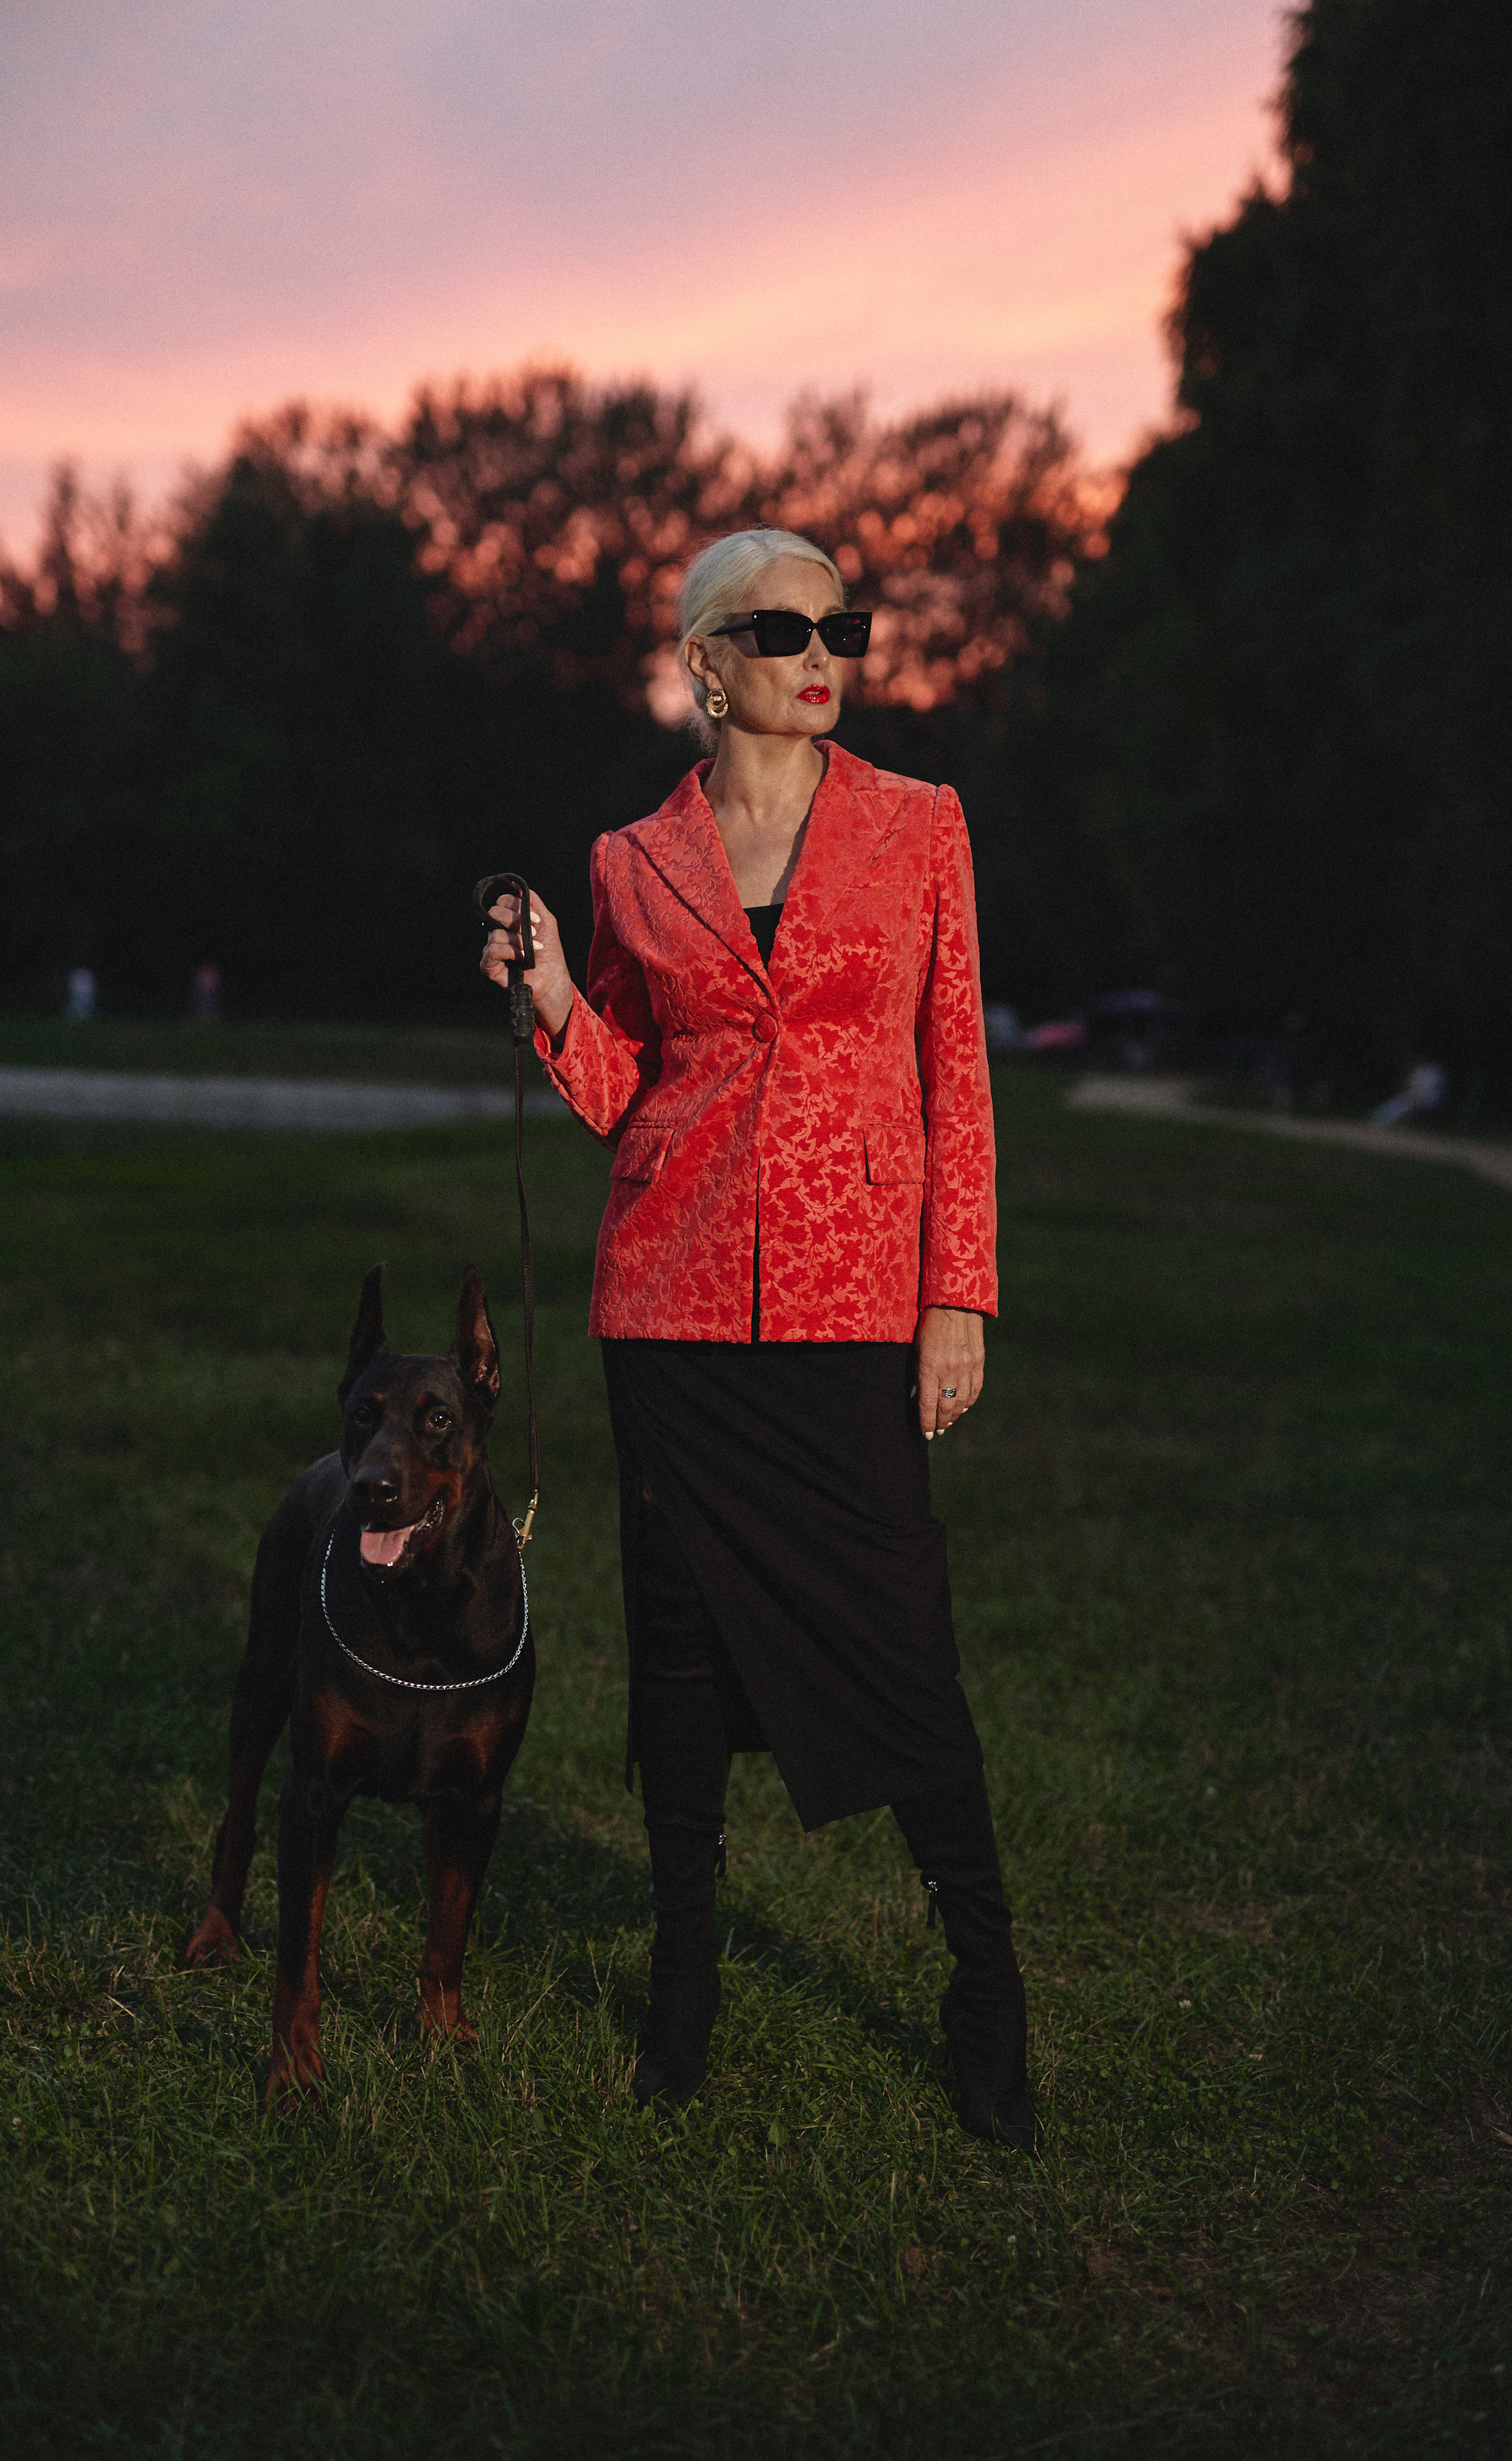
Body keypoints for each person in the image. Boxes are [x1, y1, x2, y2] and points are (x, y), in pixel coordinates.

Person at [481, 526, 1038, 2151]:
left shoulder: (919, 827)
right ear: (703, 665)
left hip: (858, 1296)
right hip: (671, 1304)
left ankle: (982, 1976)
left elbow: (958, 1073)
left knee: (902, 1638)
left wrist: (958, 1295)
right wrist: (549, 1004)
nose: (823, 651)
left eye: (840, 624)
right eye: (781, 627)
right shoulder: (626, 861)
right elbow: (627, 1099)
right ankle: (680, 1982)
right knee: (673, 1644)